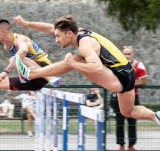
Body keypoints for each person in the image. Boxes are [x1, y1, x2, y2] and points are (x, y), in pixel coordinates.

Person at [13, 15, 160, 127]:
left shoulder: (84, 44)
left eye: (58, 36)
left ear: (69, 34)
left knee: (75, 61)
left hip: (118, 77)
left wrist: (72, 64)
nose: (56, 40)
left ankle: (33, 74)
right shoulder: (79, 32)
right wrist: (26, 23)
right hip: (128, 73)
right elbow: (49, 28)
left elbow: (96, 67)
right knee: (128, 111)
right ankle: (156, 116)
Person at [110, 46, 148, 151]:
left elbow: (144, 81)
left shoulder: (139, 65)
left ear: (133, 54)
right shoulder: (117, 64)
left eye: (129, 54)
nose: (127, 56)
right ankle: (121, 145)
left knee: (132, 122)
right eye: (125, 54)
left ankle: (131, 145)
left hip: (133, 96)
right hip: (119, 96)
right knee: (119, 122)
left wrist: (127, 83)